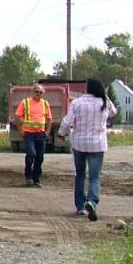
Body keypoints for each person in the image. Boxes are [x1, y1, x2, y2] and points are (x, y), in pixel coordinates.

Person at [57, 77, 118, 221]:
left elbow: (67, 121)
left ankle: (80, 206)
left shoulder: (77, 103)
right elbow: (114, 112)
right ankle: (92, 201)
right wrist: (105, 95)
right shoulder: (104, 103)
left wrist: (61, 133)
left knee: (80, 175)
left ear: (87, 88)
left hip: (79, 143)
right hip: (97, 144)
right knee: (94, 176)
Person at [12, 83, 52, 187]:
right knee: (31, 154)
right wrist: (20, 130)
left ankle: (36, 179)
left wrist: (47, 131)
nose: (38, 93)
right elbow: (17, 117)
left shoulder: (45, 104)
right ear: (32, 92)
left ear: (42, 93)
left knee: (40, 157)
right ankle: (28, 175)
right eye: (36, 91)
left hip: (41, 134)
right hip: (29, 134)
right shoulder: (25, 103)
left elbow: (49, 119)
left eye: (40, 92)